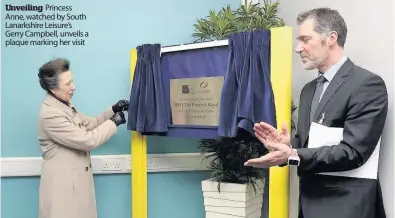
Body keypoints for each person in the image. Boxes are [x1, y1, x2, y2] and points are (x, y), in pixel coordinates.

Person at [244, 8, 388, 218]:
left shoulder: (367, 85)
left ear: (331, 38)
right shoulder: (308, 90)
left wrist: (293, 154)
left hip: (347, 207)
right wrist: (288, 145)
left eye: (305, 39)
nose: (297, 48)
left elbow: (353, 152)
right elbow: (309, 144)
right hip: (309, 204)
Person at [37, 58, 129, 218]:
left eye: (72, 81)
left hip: (74, 187)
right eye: (68, 84)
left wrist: (113, 110)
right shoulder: (50, 114)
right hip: (63, 191)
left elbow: (89, 124)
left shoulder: (65, 105)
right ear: (53, 88)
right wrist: (114, 123)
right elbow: (87, 140)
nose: (74, 87)